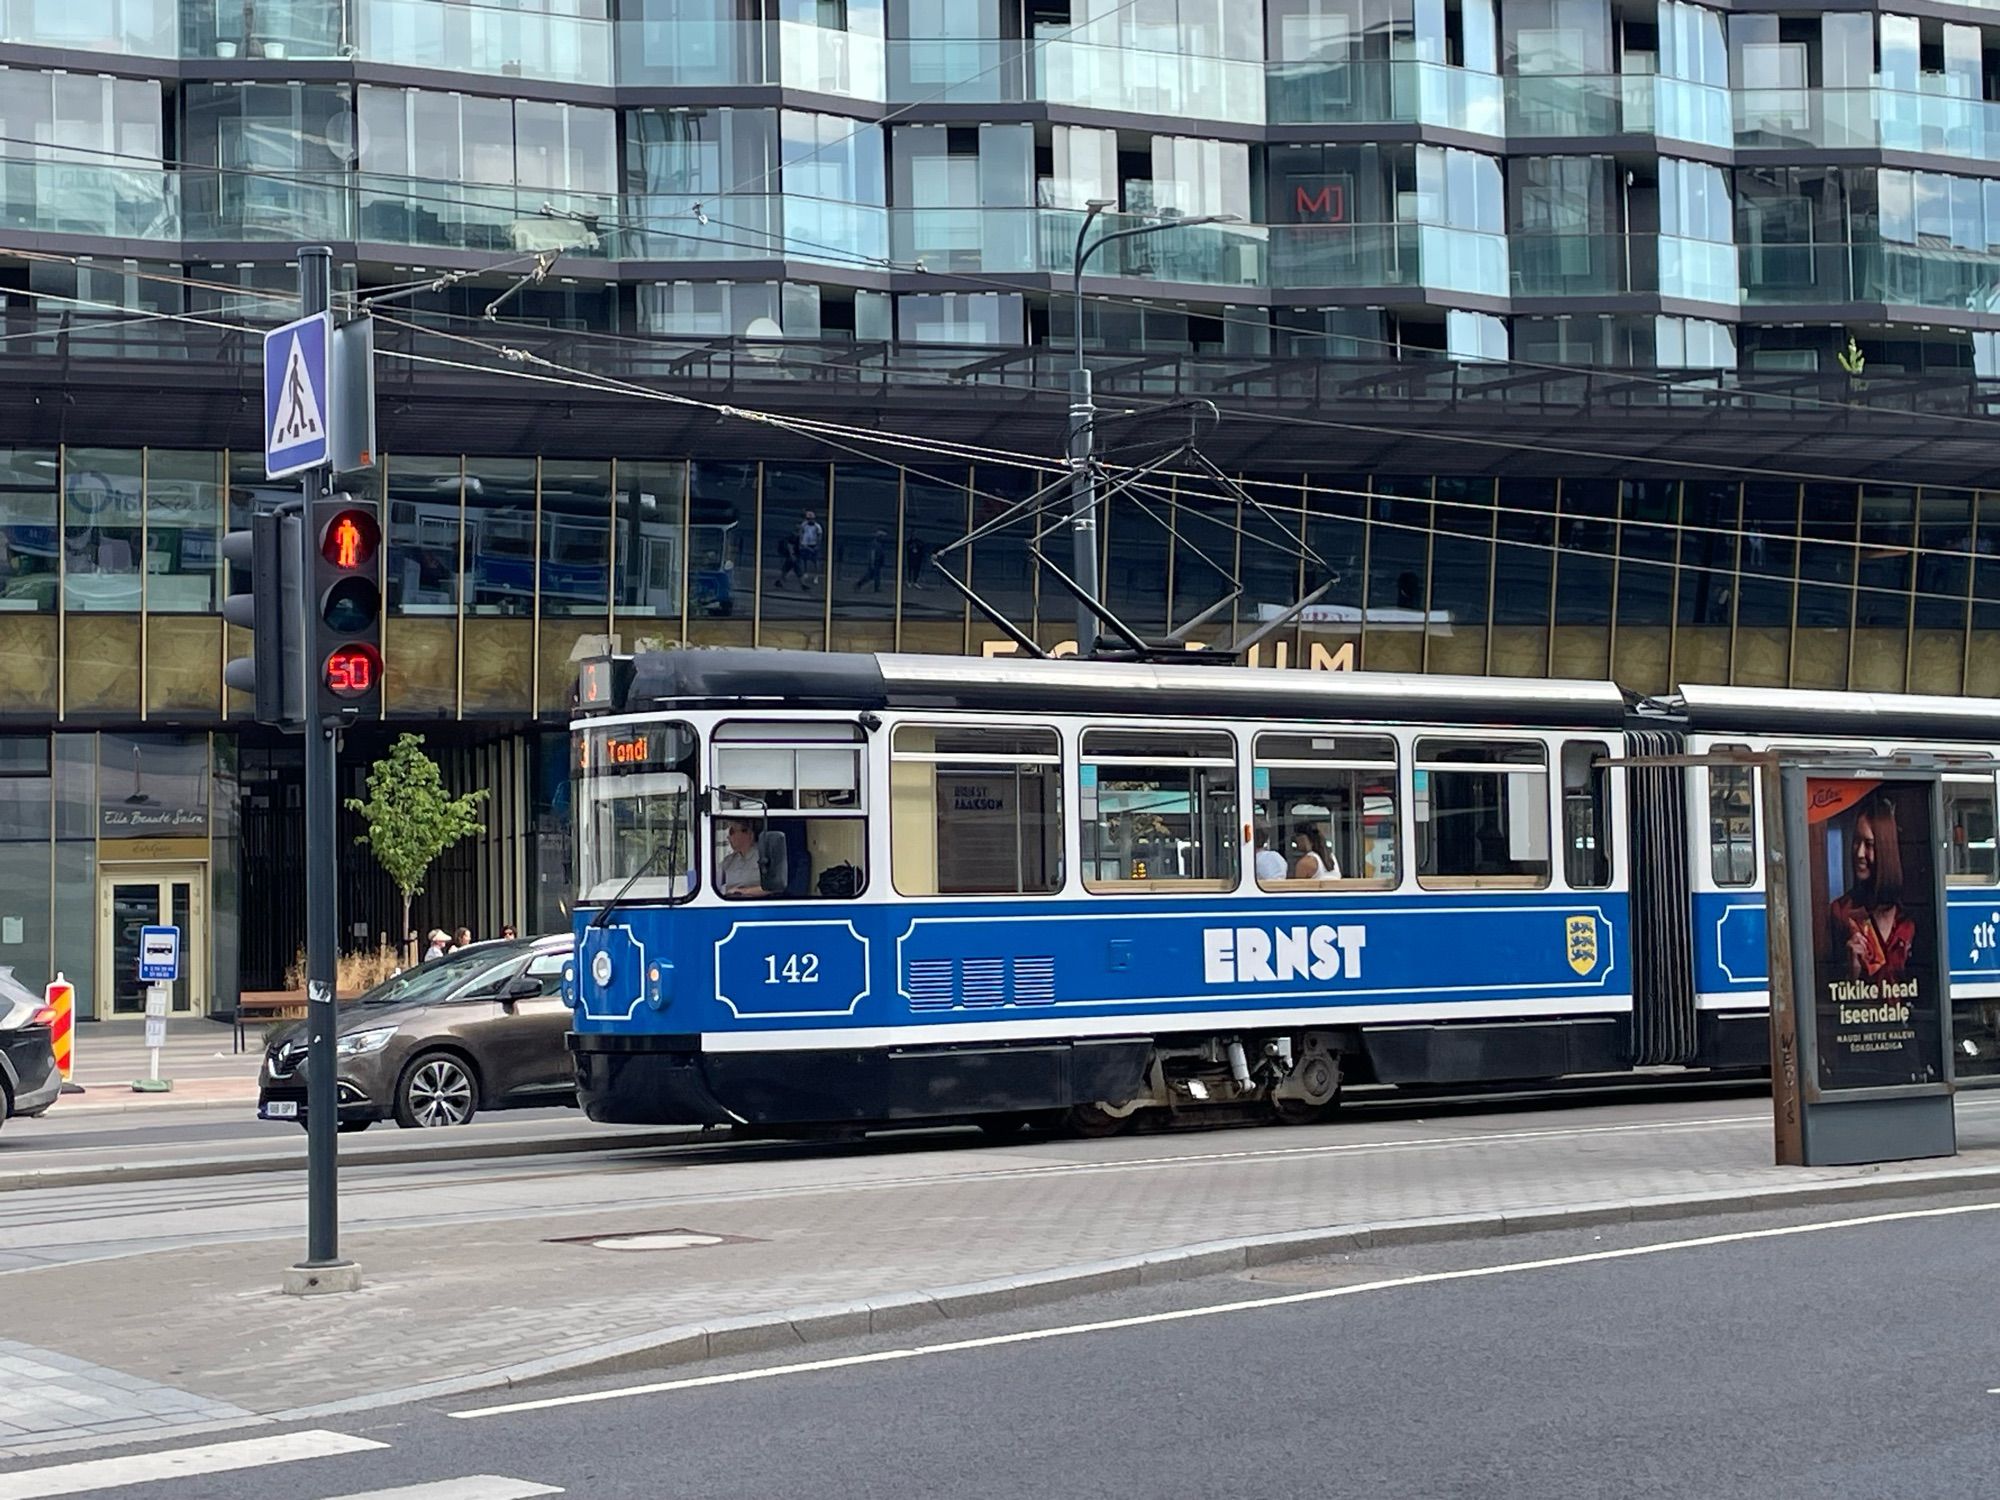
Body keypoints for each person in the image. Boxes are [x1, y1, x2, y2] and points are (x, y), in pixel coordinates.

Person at [1829, 794, 1916, 982]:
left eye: (1869, 845)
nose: (1859, 853)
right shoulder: (1841, 911)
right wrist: (1851, 972)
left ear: (1886, 850)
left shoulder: (1910, 918)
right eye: (1856, 842)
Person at [720, 818, 770, 898]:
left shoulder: (764, 857)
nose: (728, 837)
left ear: (749, 834)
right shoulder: (728, 861)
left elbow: (773, 888)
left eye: (732, 832)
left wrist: (742, 892)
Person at [859, 528, 889, 593]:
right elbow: (873, 553)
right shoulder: (875, 544)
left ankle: (876, 587)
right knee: (871, 576)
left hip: (878, 562)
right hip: (875, 562)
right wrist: (872, 563)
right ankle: (860, 584)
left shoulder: (880, 544)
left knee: (874, 576)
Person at [798, 510, 823, 584]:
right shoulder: (804, 524)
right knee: (804, 559)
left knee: (815, 561)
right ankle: (805, 572)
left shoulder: (817, 526)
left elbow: (819, 536)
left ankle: (816, 576)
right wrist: (801, 542)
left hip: (813, 544)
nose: (809, 520)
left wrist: (817, 546)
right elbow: (801, 533)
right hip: (805, 544)